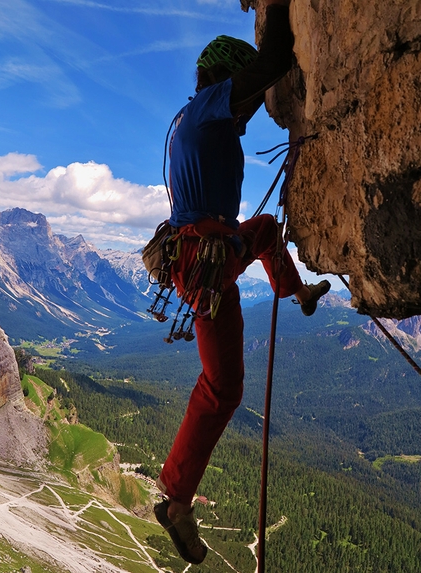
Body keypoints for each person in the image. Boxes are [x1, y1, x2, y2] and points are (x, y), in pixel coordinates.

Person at [153, 0, 330, 564]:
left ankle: (294, 291)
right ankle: (176, 499)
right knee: (223, 387)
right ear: (225, 78)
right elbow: (275, 59)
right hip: (205, 259)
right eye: (243, 94)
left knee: (265, 229)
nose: (250, 112)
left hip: (205, 253)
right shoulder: (208, 109)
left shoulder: (194, 118)